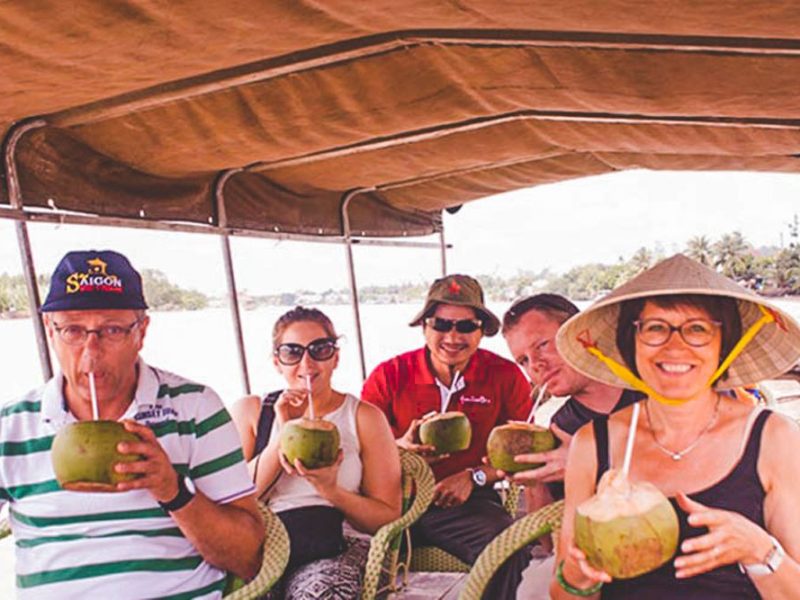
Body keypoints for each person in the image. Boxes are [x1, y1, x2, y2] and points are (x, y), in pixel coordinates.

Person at [0, 250, 264, 599]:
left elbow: (248, 559)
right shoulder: (11, 428)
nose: (91, 351)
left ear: (141, 331)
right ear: (51, 330)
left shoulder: (195, 408)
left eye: (111, 330)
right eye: (74, 331)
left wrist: (174, 491)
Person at [551, 254, 800, 599]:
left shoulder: (774, 438)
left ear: (722, 344)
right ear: (631, 341)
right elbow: (562, 593)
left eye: (697, 329)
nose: (675, 346)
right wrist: (578, 577)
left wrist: (760, 552)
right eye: (655, 328)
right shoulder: (593, 443)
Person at [361, 274, 533, 599]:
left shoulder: (505, 376)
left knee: (510, 547)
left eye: (466, 326)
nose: (453, 337)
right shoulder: (390, 374)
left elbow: (525, 454)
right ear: (425, 327)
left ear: (481, 330)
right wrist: (399, 450)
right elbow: (359, 448)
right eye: (441, 324)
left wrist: (476, 476)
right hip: (390, 498)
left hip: (463, 504)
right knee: (335, 553)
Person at [231, 306, 401, 599]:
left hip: (337, 545)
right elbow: (234, 500)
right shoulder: (251, 412)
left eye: (320, 349)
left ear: (335, 357)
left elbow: (386, 517)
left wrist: (331, 490)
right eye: (292, 352)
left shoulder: (363, 417)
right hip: (262, 545)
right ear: (277, 361)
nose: (307, 363)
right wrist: (282, 435)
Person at [501, 294, 642, 500]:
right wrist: (535, 483)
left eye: (542, 345)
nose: (535, 364)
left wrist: (587, 464)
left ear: (581, 334)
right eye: (523, 360)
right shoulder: (561, 431)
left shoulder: (651, 390)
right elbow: (547, 521)